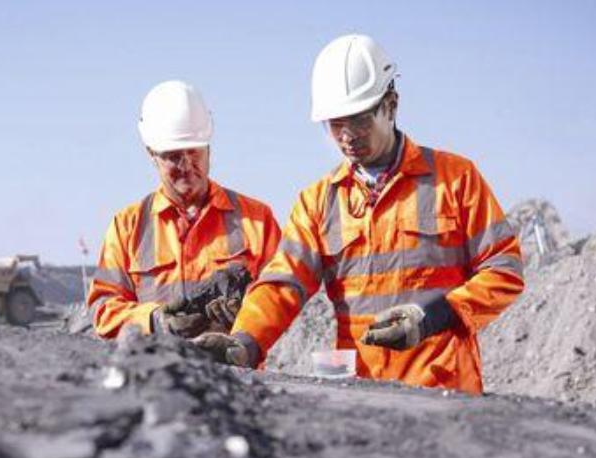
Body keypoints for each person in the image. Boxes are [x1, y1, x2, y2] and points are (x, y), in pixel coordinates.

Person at [194, 35, 524, 394]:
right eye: (335, 124)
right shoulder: (319, 201)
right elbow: (282, 285)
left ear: (391, 105)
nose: (347, 136)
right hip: (363, 398)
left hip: (446, 391)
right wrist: (246, 341)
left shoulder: (455, 179)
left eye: (359, 120)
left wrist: (434, 315)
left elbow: (503, 270)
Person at [88, 80, 281, 339]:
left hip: (234, 376)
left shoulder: (257, 220)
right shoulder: (127, 228)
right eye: (173, 156)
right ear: (151, 154)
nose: (187, 164)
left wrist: (249, 315)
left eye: (194, 152)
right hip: (155, 374)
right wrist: (154, 320)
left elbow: (283, 299)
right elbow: (103, 310)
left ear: (208, 148)